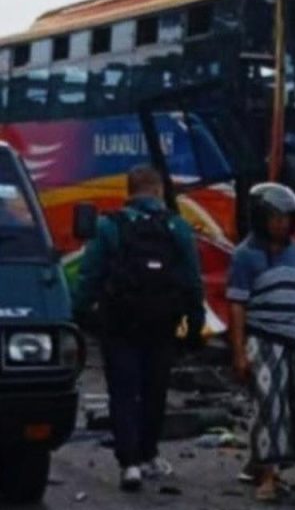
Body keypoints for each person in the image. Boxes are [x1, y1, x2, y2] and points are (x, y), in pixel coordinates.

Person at [73, 165, 204, 492]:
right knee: (154, 389)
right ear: (159, 190)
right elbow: (191, 280)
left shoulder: (109, 226)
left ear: (128, 191)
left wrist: (77, 314)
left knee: (123, 391)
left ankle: (128, 464)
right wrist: (194, 323)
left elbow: (89, 274)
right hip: (162, 323)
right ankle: (148, 455)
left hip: (119, 322)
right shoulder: (177, 227)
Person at [227, 183, 295, 502]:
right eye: (276, 218)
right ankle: (268, 476)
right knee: (269, 404)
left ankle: (257, 464)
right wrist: (239, 352)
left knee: (283, 406)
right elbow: (237, 305)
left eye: (287, 218)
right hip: (262, 340)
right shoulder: (245, 256)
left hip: (289, 339)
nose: (282, 224)